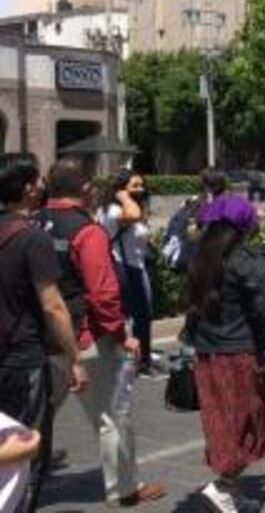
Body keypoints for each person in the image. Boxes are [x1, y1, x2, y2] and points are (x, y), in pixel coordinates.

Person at [38, 158, 164, 508]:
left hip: (40, 339)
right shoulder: (87, 231)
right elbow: (103, 294)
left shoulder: (33, 222)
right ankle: (123, 489)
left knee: (35, 416)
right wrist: (123, 335)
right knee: (110, 417)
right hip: (85, 338)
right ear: (85, 188)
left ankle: (19, 476)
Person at [185, 195, 265, 512]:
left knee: (223, 421)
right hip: (239, 353)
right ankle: (222, 487)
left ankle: (228, 487)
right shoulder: (246, 260)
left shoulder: (199, 257)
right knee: (250, 420)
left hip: (207, 354)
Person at [0, 160, 87, 511]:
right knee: (27, 451)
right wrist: (74, 358)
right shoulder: (33, 238)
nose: (42, 185)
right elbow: (53, 306)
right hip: (23, 360)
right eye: (37, 180)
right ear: (27, 188)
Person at [98, 168, 160, 377]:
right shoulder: (114, 210)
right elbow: (133, 215)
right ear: (120, 188)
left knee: (141, 317)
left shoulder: (124, 206)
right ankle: (138, 363)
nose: (140, 189)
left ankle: (139, 360)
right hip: (124, 268)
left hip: (135, 266)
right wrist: (124, 196)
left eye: (142, 185)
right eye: (134, 186)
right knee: (136, 317)